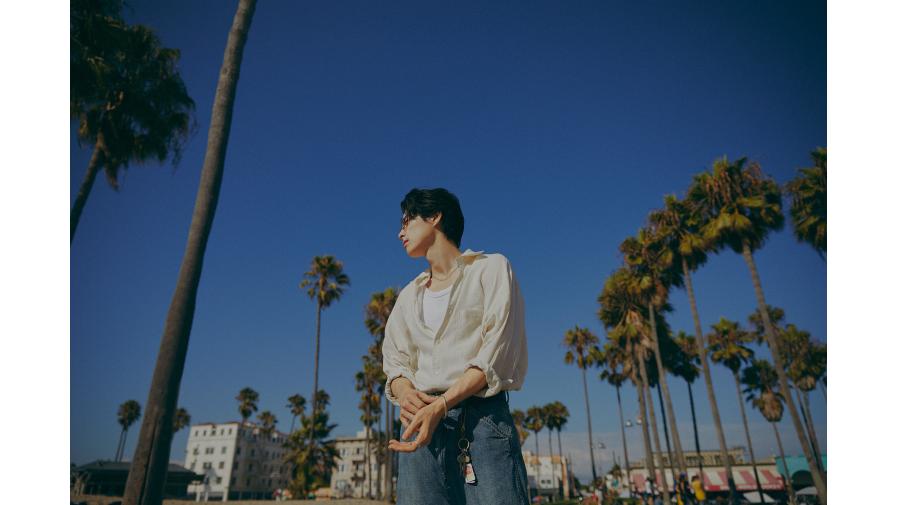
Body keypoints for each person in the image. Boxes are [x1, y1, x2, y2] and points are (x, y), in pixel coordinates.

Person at [382, 188, 530, 505]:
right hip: (419, 431)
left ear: (435, 216)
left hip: (482, 422)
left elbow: (497, 352)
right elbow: (394, 362)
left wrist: (442, 405)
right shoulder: (408, 295)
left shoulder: (491, 268)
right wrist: (406, 394)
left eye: (406, 221)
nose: (399, 233)